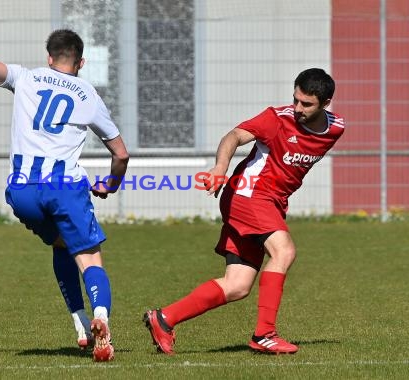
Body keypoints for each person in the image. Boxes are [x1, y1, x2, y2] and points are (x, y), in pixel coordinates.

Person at [0, 29, 129, 362]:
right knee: (89, 257)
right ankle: (100, 316)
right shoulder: (88, 94)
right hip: (64, 189)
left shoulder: (27, 77)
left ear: (49, 57)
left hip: (22, 192)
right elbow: (121, 155)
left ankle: (80, 323)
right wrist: (111, 184)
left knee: (60, 244)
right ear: (81, 62)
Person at [143, 68, 344, 355]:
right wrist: (219, 169)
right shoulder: (277, 119)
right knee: (283, 252)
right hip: (249, 196)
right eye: (296, 99)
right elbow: (233, 136)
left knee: (237, 285)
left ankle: (164, 319)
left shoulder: (336, 128)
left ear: (326, 103)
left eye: (306, 104)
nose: (297, 108)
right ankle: (265, 334)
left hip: (270, 202)